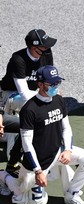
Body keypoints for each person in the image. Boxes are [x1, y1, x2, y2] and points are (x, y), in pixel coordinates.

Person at [0, 65, 84, 204]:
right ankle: (4, 176)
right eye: (51, 84)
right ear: (40, 84)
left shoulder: (58, 100)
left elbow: (66, 127)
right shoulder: (29, 109)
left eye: (57, 82)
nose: (56, 86)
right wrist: (38, 171)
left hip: (57, 152)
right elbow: (27, 145)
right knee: (33, 203)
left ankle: (72, 195)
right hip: (37, 162)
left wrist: (68, 150)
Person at [0, 29, 57, 179]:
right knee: (23, 120)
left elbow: (49, 79)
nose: (46, 50)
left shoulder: (47, 53)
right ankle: (12, 167)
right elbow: (24, 93)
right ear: (33, 47)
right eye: (42, 48)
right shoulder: (18, 59)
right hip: (11, 96)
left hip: (33, 95)